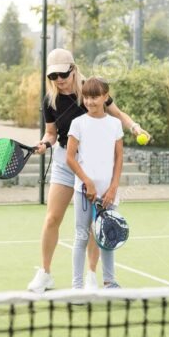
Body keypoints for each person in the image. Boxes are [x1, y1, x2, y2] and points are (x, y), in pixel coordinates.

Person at [27, 48, 149, 292]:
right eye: (53, 76)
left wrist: (135, 127)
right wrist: (43, 144)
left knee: (97, 222)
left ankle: (92, 275)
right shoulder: (50, 100)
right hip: (65, 160)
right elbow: (51, 134)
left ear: (73, 69)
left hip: (95, 163)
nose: (59, 80)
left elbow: (117, 115)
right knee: (52, 217)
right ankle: (45, 273)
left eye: (63, 74)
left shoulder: (91, 90)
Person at [65, 76, 123, 290]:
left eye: (95, 97)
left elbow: (119, 158)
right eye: (87, 97)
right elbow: (70, 157)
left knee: (108, 237)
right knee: (81, 237)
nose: (90, 102)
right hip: (83, 192)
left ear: (105, 97)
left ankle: (110, 282)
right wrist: (87, 182)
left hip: (108, 193)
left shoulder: (115, 124)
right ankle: (77, 286)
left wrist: (113, 187)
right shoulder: (78, 123)